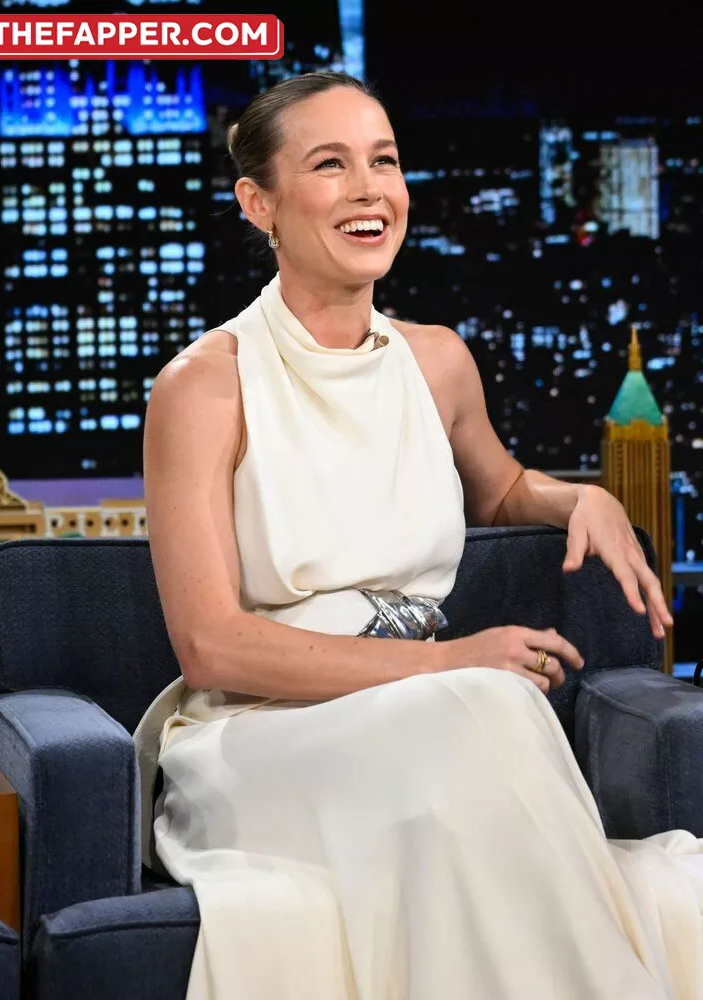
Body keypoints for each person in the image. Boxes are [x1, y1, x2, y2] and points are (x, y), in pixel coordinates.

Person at [133, 72, 703, 1000]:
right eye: (330, 165)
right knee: (487, 704)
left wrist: (579, 503)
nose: (370, 190)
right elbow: (210, 647)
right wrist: (449, 662)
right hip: (262, 735)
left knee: (484, 713)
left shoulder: (437, 361)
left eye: (385, 161)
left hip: (431, 716)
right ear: (259, 204)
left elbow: (502, 487)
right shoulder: (204, 385)